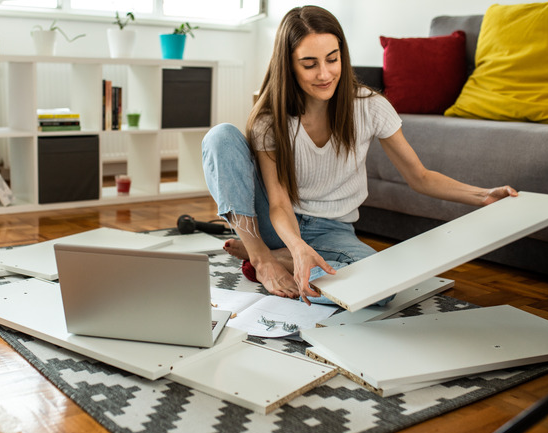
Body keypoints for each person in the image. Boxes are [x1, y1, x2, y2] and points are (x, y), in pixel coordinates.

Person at [201, 5, 517, 306]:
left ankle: (281, 258)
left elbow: (419, 177)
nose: (324, 74)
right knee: (221, 136)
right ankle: (262, 258)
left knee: (380, 291)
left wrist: (483, 195)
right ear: (289, 65)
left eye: (332, 59)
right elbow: (280, 203)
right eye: (309, 64)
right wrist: (296, 245)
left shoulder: (369, 106)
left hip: (333, 230)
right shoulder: (270, 120)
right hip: (276, 223)